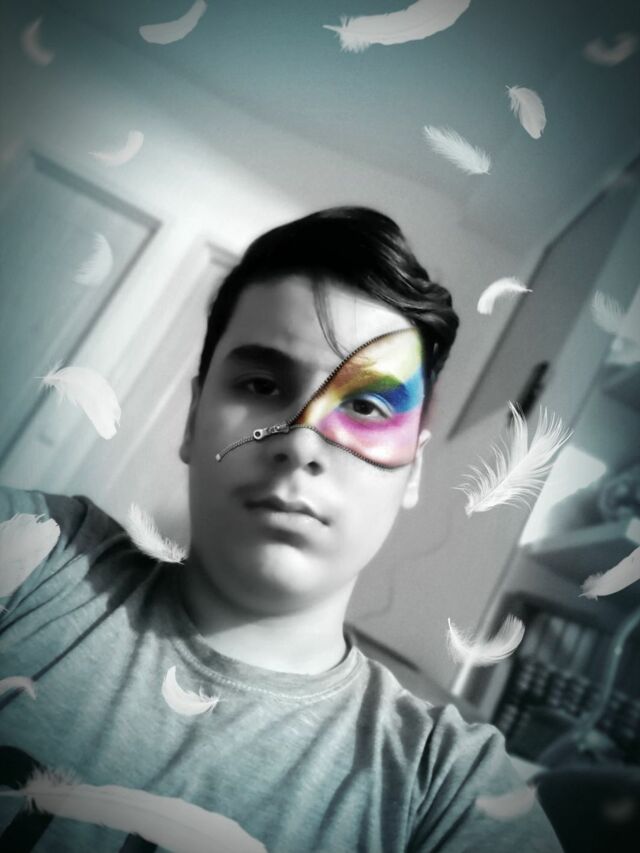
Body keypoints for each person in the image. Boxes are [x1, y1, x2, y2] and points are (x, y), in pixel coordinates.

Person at [0, 207, 562, 851]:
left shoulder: (449, 788)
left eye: (366, 405)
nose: (301, 442)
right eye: (263, 384)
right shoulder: (34, 553)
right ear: (194, 420)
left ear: (413, 472)